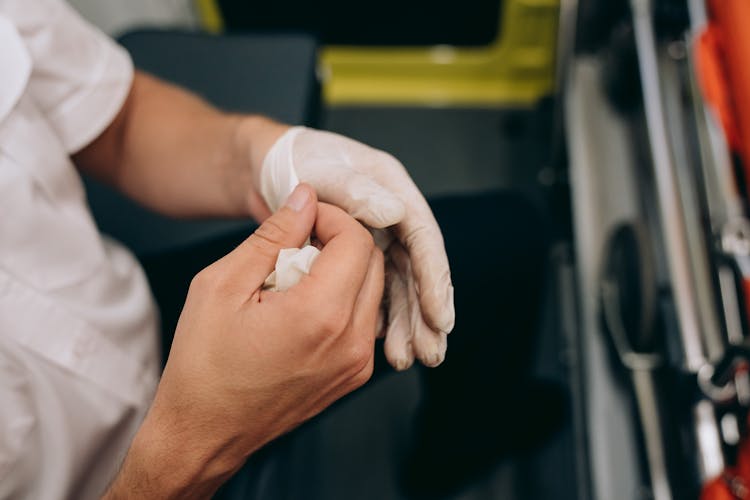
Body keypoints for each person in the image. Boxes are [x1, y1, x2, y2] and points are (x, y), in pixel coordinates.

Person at [0, 0, 456, 498]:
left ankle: (452, 456)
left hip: (142, 314)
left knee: (503, 238)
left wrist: (263, 157)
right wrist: (200, 445)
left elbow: (118, 124)